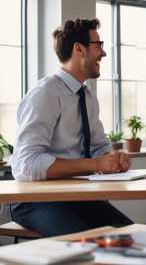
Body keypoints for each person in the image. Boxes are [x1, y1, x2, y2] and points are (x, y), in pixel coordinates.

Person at [10, 18, 133, 236]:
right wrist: (95, 163)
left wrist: (112, 158)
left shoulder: (87, 96)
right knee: (86, 246)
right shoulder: (45, 93)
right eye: (98, 45)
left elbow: (97, 146)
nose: (103, 53)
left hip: (78, 195)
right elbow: (25, 164)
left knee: (131, 236)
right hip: (37, 200)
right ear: (79, 49)